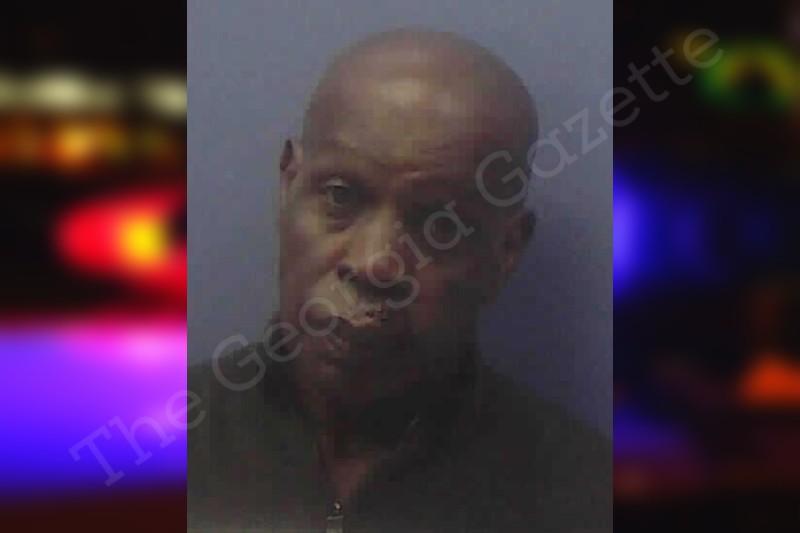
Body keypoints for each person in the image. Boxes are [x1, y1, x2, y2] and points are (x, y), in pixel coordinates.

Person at [188, 28, 611, 532]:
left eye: (441, 226)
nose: (373, 264)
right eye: (341, 196)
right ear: (289, 186)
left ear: (505, 251)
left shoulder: (584, 495)